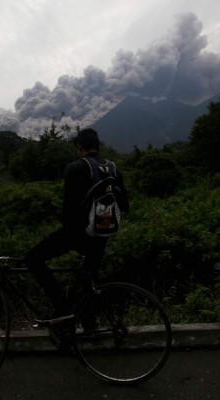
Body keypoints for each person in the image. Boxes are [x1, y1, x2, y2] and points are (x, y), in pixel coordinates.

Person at [25, 128, 129, 323]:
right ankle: (89, 325)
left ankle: (62, 308)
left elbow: (69, 210)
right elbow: (124, 205)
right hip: (104, 233)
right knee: (87, 279)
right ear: (98, 148)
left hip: (78, 232)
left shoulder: (75, 167)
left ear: (79, 148)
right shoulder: (114, 168)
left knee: (33, 259)